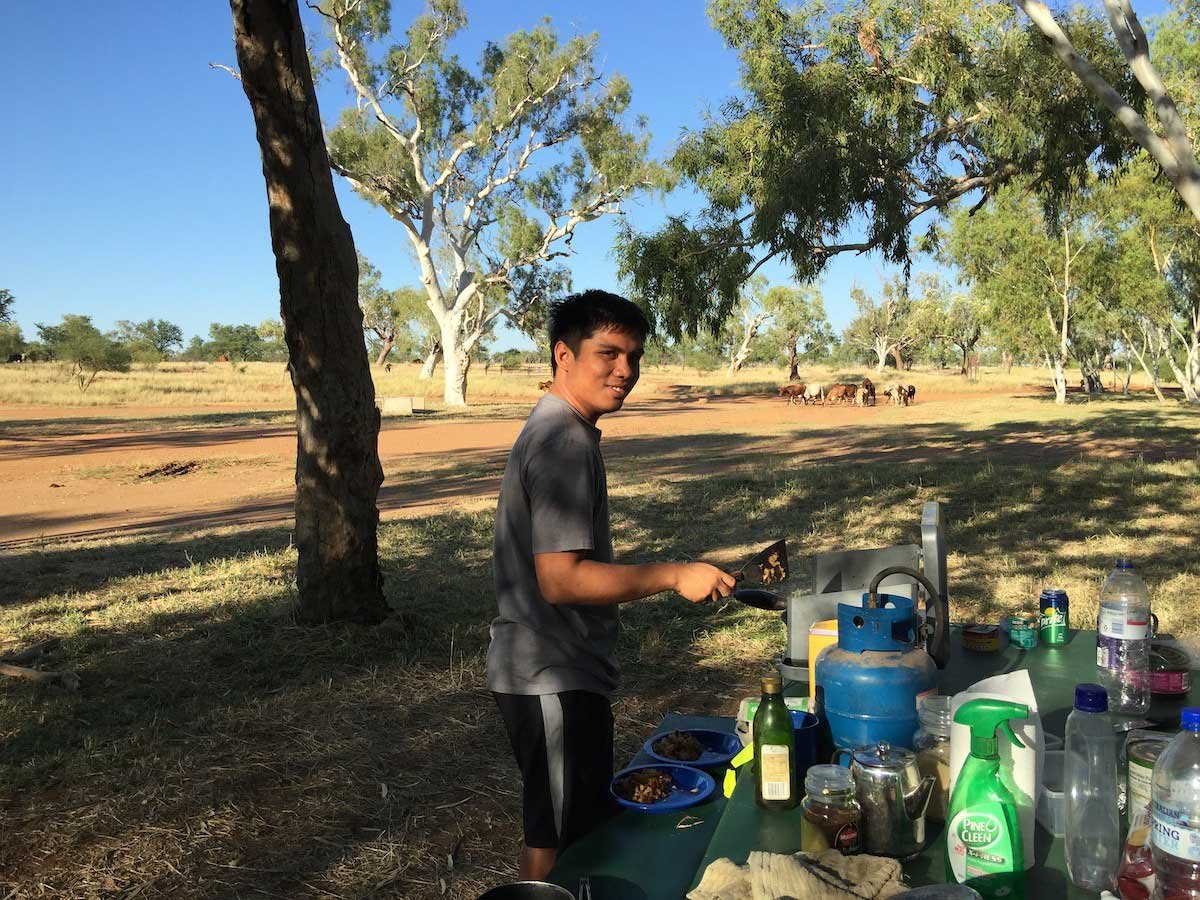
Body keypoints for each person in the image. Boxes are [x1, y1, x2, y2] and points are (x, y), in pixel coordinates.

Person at [487, 289, 736, 881]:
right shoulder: (563, 441)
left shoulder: (565, 429)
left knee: (574, 826)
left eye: (635, 356)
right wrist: (673, 574)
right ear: (563, 355)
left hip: (563, 670)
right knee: (556, 839)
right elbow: (561, 579)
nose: (625, 371)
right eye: (608, 354)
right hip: (549, 670)